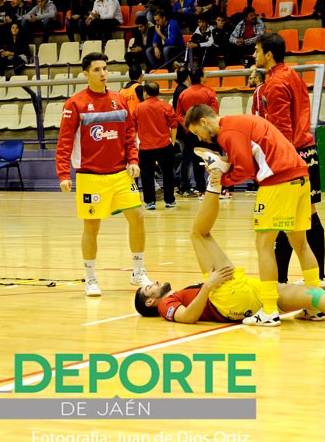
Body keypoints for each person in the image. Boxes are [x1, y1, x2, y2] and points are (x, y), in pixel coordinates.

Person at [135, 190, 325, 325]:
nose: (155, 282)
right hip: (226, 297)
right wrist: (208, 285)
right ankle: (214, 181)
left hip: (247, 294)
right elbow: (186, 318)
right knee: (198, 233)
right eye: (150, 287)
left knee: (313, 296)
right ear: (149, 301)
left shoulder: (172, 295)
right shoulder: (163, 306)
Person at [184, 106, 325, 326]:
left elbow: (244, 169)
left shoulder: (228, 132)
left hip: (278, 181)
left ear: (203, 121)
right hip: (300, 177)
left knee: (263, 245)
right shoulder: (240, 122)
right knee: (300, 243)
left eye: (196, 133)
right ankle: (315, 305)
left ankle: (269, 310)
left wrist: (220, 179)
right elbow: (246, 159)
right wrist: (223, 164)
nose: (199, 138)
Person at [55, 52, 151, 297]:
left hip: (120, 174)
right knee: (92, 227)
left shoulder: (119, 100)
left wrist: (133, 160)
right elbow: (64, 141)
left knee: (138, 216)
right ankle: (91, 278)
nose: (103, 73)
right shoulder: (74, 104)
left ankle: (138, 271)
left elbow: (130, 134)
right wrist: (63, 173)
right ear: (86, 74)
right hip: (90, 176)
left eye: (105, 68)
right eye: (97, 69)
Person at [254, 33, 325, 288]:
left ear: (269, 54)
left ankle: (280, 280)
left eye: (257, 50)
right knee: (308, 215)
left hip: (291, 155)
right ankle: (320, 276)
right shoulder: (294, 75)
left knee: (283, 220)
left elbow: (282, 128)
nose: (254, 55)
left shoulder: (274, 84)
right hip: (308, 150)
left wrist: (276, 159)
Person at [175, 68, 219, 198]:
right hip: (208, 132)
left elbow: (178, 115)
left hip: (191, 134)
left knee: (196, 160)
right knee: (213, 157)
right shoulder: (210, 92)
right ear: (201, 77)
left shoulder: (183, 94)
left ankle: (201, 190)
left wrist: (190, 127)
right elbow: (214, 112)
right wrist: (204, 127)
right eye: (205, 74)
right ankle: (216, 187)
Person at [135, 81, 177, 210]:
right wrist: (173, 141)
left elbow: (133, 127)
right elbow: (174, 125)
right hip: (165, 145)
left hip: (146, 148)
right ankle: (169, 200)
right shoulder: (165, 106)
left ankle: (150, 201)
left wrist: (135, 144)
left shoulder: (138, 108)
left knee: (147, 175)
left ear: (145, 93)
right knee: (168, 173)